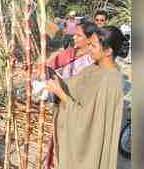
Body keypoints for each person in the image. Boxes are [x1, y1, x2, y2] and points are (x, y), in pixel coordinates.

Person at [45, 26, 129, 169]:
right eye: (89, 44)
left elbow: (87, 121)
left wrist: (60, 93)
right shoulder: (95, 67)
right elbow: (72, 86)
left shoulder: (111, 81)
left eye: (93, 45)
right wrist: (54, 79)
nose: (88, 49)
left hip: (90, 149)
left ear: (108, 51)